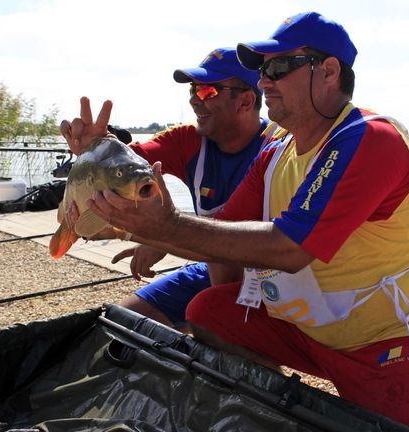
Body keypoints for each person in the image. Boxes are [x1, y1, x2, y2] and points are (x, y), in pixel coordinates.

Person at [79, 12, 409, 432]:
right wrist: (123, 216)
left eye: (277, 68)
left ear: (328, 72)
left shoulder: (370, 138)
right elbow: (221, 237)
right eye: (261, 70)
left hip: (391, 333)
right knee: (210, 312)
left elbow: (289, 249)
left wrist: (163, 227)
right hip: (309, 326)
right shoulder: (275, 154)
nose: (264, 80)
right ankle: (270, 409)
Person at [57, 47, 282, 329]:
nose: (194, 101)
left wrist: (162, 235)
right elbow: (127, 166)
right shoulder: (188, 140)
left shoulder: (280, 148)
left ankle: (238, 350)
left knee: (217, 321)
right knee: (121, 324)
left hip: (273, 279)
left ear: (246, 101)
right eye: (192, 90)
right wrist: (99, 147)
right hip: (210, 268)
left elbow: (280, 244)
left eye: (206, 92)